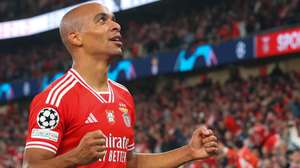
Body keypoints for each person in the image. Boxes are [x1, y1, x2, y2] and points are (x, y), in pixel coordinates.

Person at [23, 2, 219, 168]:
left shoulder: (123, 94)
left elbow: (130, 163)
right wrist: (75, 157)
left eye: (113, 19)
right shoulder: (55, 98)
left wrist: (189, 152)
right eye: (102, 20)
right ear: (76, 38)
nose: (116, 26)